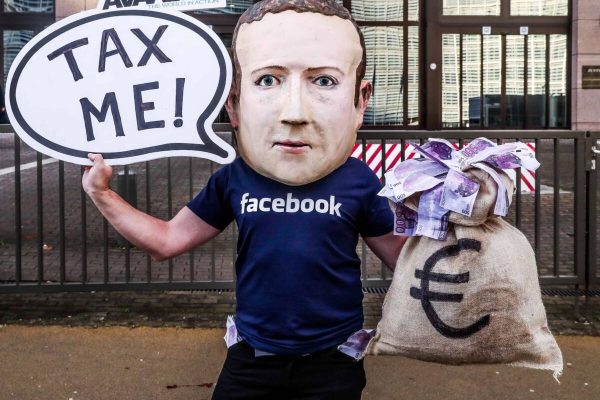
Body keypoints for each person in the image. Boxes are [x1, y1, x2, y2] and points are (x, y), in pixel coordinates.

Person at [82, 1, 406, 398]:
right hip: (253, 358)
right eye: (268, 81)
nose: (294, 113)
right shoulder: (233, 180)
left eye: (323, 81)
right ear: (233, 104)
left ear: (360, 101)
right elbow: (166, 241)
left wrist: (461, 221)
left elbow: (407, 263)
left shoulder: (359, 182)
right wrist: (102, 193)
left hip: (333, 360)